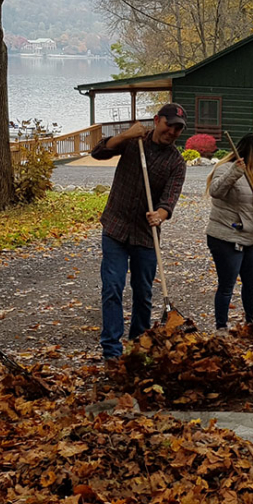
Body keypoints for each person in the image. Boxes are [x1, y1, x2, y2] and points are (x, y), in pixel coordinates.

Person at [91, 103, 188, 359]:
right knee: (112, 287)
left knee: (143, 292)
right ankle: (111, 349)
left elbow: (170, 199)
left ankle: (138, 345)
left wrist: (160, 214)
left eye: (178, 128)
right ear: (157, 120)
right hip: (115, 227)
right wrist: (123, 135)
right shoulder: (135, 141)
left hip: (146, 236)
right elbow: (98, 152)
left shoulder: (177, 163)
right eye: (169, 125)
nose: (173, 131)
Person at [205, 134, 253, 333]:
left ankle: (251, 321)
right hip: (225, 236)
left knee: (252, 281)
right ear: (251, 154)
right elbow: (216, 191)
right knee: (227, 284)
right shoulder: (226, 168)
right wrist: (235, 172)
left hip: (249, 237)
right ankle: (221, 327)